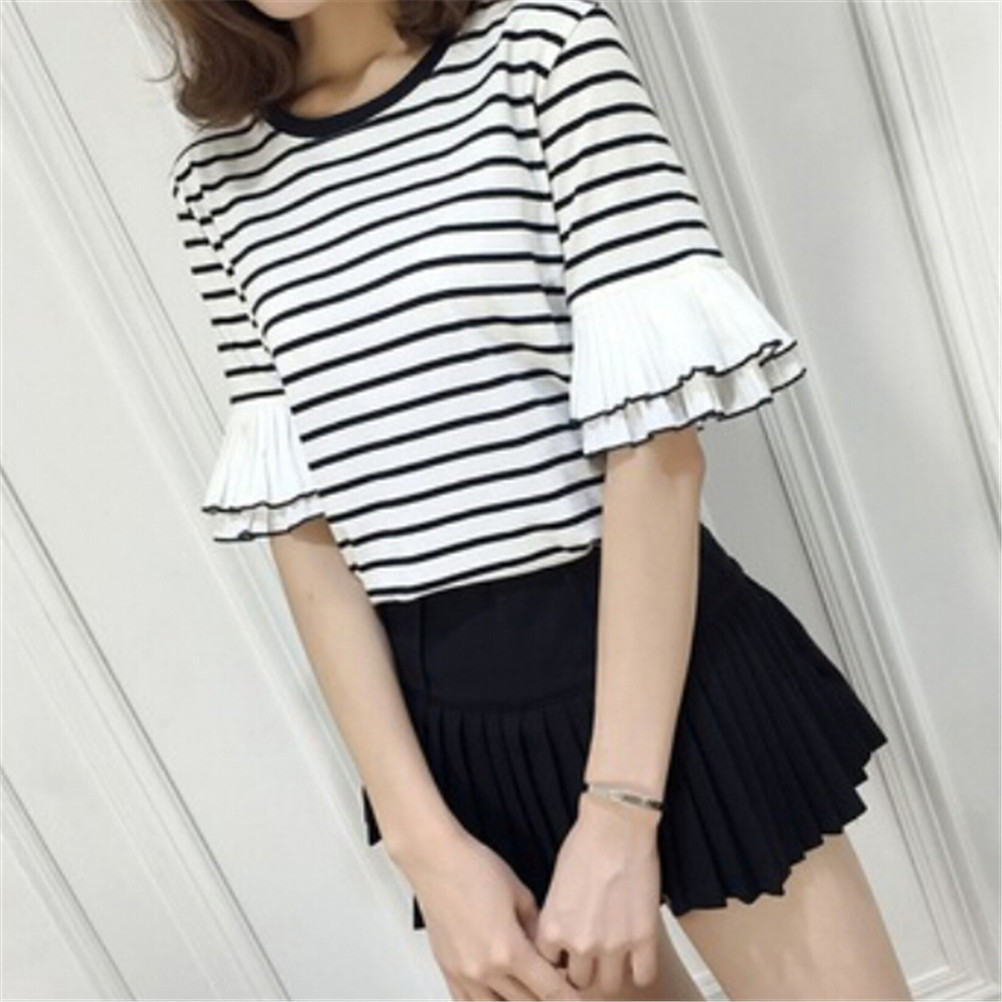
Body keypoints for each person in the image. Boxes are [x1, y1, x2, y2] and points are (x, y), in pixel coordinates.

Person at [149, 0, 913, 998]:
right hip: (458, 744)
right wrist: (426, 850)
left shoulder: (543, 53)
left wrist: (620, 812)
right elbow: (305, 532)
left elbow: (655, 449)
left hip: (669, 677)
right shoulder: (218, 181)